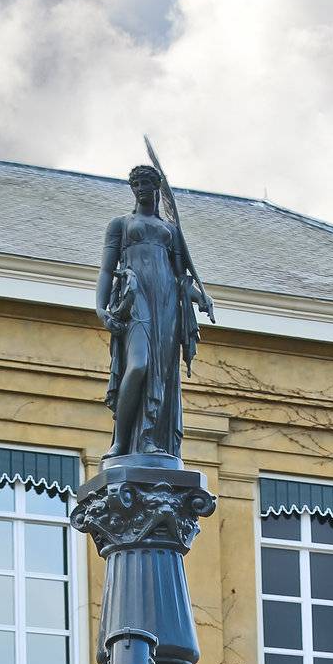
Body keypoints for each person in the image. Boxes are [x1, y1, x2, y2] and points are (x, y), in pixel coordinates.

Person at [95, 164, 213, 462]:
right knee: (138, 366)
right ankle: (121, 442)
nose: (142, 189)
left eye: (147, 184)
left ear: (157, 189)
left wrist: (202, 298)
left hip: (166, 304)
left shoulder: (170, 231)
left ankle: (149, 438)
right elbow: (107, 269)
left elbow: (181, 279)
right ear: (132, 189)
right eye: (137, 185)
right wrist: (100, 309)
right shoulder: (120, 225)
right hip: (136, 300)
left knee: (160, 373)